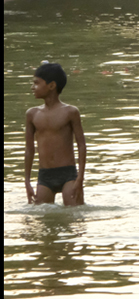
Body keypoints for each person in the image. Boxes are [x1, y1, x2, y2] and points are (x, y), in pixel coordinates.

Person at [24, 62, 86, 206]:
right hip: (45, 176)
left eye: (36, 83)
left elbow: (81, 145)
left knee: (75, 215)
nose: (32, 87)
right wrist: (27, 182)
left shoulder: (70, 112)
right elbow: (29, 150)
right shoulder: (32, 114)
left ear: (51, 85)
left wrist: (80, 179)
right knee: (43, 216)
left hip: (68, 174)